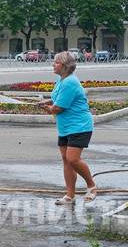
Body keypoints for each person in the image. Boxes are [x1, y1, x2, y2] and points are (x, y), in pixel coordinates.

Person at [40, 51, 98, 205]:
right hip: (66, 127)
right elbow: (56, 98)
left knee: (73, 159)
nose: (53, 65)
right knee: (66, 161)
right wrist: (46, 101)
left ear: (65, 66)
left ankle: (92, 186)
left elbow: (58, 108)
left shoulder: (70, 82)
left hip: (80, 126)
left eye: (56, 62)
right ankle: (70, 195)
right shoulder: (61, 80)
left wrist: (48, 108)